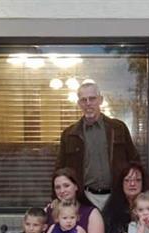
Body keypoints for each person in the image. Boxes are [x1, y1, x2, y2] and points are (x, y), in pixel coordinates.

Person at [55, 81, 140, 209]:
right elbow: (60, 170)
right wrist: (56, 199)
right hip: (85, 199)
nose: (88, 103)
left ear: (100, 100)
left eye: (92, 98)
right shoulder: (69, 134)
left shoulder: (118, 128)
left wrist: (138, 194)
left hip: (116, 197)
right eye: (84, 100)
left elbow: (134, 161)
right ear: (79, 104)